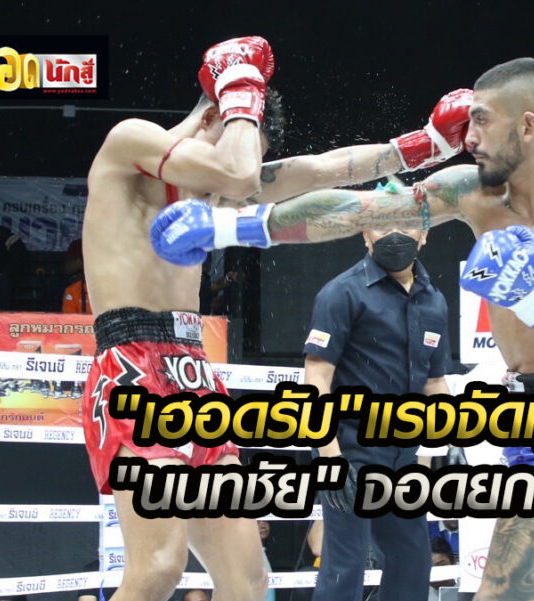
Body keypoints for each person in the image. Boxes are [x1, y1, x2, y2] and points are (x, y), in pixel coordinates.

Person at [155, 57, 534, 601]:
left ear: (528, 125)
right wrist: (232, 226)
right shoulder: (473, 192)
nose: (468, 137)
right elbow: (360, 210)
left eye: (482, 120)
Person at [82, 35, 467, 601]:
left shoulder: (209, 190)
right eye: (241, 134)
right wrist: (240, 92)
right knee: (159, 568)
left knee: (248, 580)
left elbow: (318, 170)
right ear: (214, 115)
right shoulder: (130, 141)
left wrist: (422, 145)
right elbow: (238, 172)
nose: (248, 167)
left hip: (192, 374)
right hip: (132, 370)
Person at [303, 222, 452, 601]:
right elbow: (316, 378)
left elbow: (435, 384)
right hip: (348, 450)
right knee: (345, 566)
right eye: (383, 224)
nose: (395, 234)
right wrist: (331, 459)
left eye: (406, 224)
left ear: (424, 233)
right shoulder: (341, 292)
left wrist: (438, 450)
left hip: (404, 455)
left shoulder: (433, 300)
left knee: (413, 562)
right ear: (365, 234)